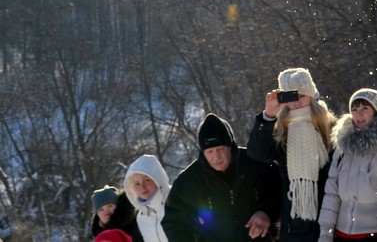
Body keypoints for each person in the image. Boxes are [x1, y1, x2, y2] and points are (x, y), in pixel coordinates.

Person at [245, 67, 336, 242]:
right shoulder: (281, 130)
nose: (296, 103)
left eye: (300, 95)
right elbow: (258, 154)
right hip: (295, 223)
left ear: (311, 94)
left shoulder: (330, 127)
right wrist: (269, 115)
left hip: (330, 218)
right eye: (290, 97)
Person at [163, 113, 271, 242]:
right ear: (202, 152)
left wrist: (266, 212)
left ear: (230, 146)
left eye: (220, 149)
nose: (216, 156)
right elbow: (174, 223)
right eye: (210, 151)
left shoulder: (255, 163)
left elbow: (279, 192)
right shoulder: (187, 182)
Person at [318, 88, 377, 242]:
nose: (359, 114)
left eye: (365, 108)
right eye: (354, 109)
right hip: (341, 234)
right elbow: (331, 193)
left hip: (374, 234)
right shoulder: (342, 148)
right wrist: (326, 231)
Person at [125, 154, 173, 242]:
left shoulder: (176, 202)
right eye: (137, 183)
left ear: (157, 179)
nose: (142, 187)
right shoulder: (141, 217)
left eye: (147, 180)